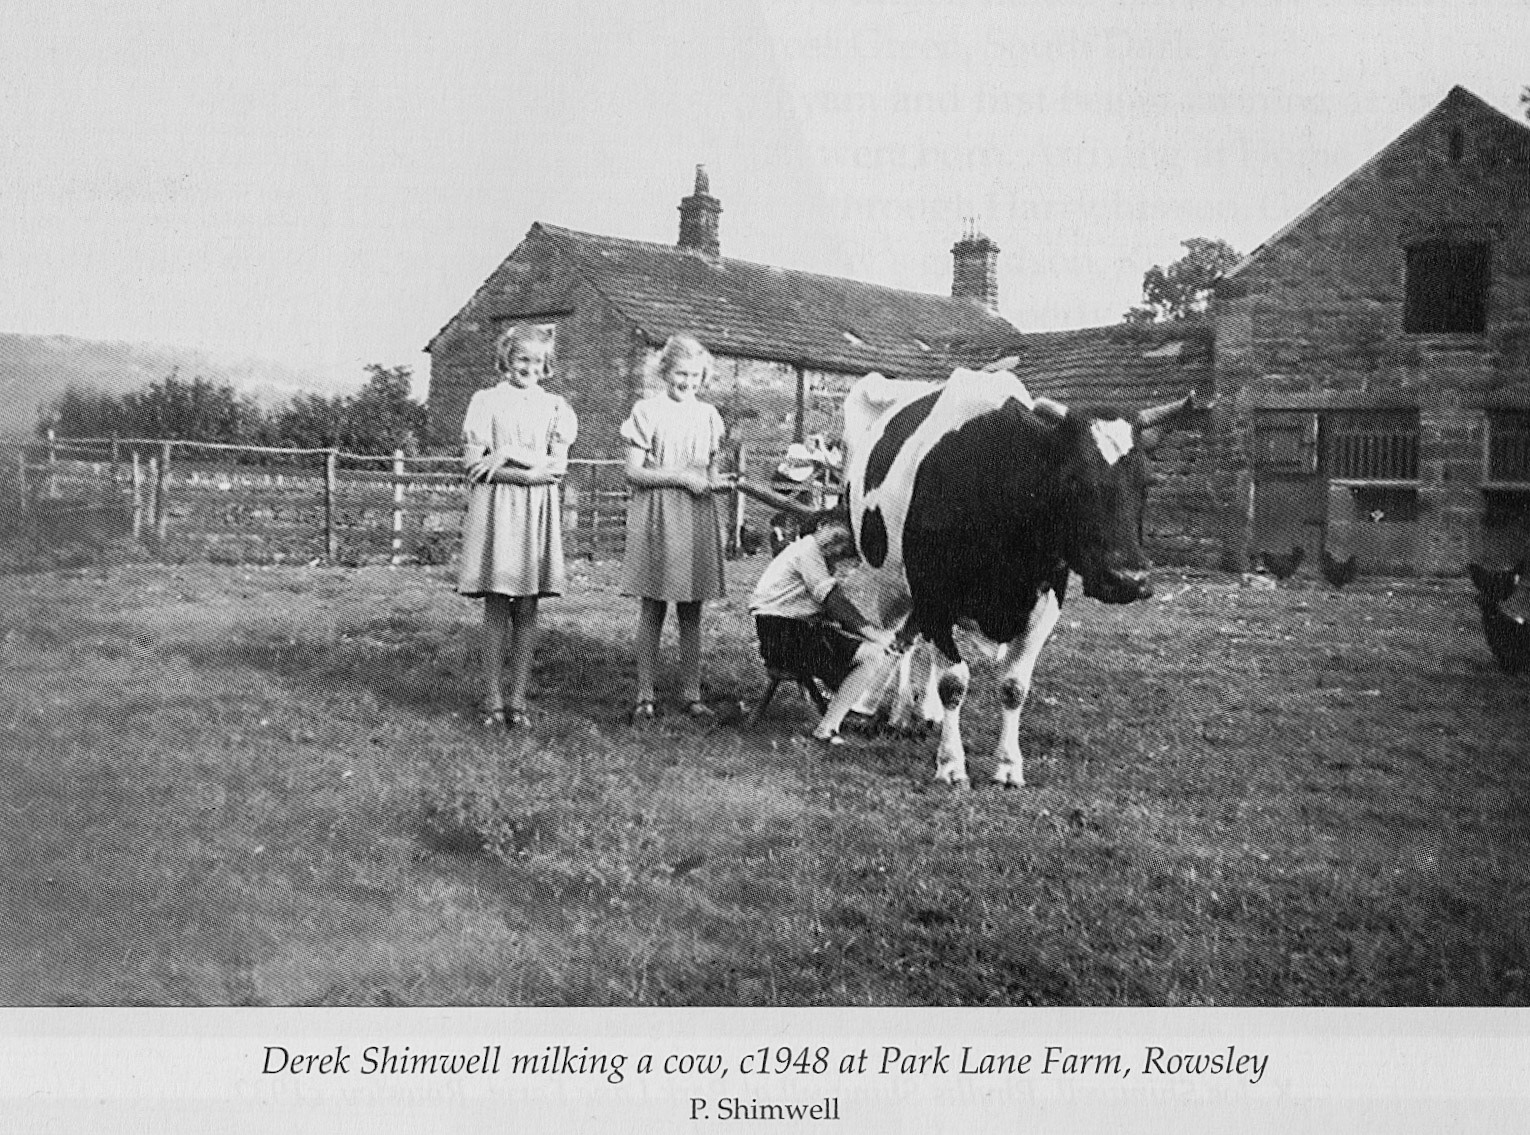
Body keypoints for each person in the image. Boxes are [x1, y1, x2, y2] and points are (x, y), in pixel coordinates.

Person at [458, 324, 577, 729]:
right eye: (521, 358)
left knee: (527, 606)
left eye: (536, 360)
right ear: (507, 358)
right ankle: (492, 698)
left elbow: (557, 466)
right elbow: (475, 465)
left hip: (535, 515)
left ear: (547, 365)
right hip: (497, 511)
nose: (528, 367)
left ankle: (518, 699)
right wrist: (527, 472)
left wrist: (508, 453)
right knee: (496, 604)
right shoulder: (486, 401)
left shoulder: (556, 407)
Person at [620, 334, 734, 722]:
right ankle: (644, 693)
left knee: (691, 609)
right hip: (658, 514)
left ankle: (691, 692)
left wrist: (717, 481)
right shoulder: (646, 411)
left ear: (704, 377)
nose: (687, 382)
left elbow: (712, 472)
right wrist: (681, 478)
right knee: (653, 607)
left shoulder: (708, 416)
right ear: (664, 372)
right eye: (679, 374)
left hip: (697, 515)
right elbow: (634, 472)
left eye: (695, 375)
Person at [748, 513, 898, 745]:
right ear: (823, 526)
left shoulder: (805, 550)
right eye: (840, 538)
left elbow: (828, 609)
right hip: (784, 632)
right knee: (872, 655)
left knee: (857, 650)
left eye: (848, 545)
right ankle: (828, 728)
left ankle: (851, 710)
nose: (842, 548)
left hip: (782, 631)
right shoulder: (808, 551)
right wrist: (871, 632)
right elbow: (832, 600)